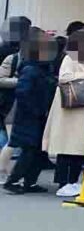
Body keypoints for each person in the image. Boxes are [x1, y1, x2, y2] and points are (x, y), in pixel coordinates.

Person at [43, 24, 84, 197]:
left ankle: (74, 180)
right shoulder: (70, 58)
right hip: (70, 107)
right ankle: (63, 182)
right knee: (68, 145)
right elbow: (63, 78)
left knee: (81, 145)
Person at [3, 29, 54, 195]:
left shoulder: (42, 69)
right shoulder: (31, 69)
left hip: (38, 116)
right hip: (29, 118)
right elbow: (22, 92)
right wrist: (35, 110)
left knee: (39, 151)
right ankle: (12, 181)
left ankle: (30, 182)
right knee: (29, 151)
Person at [0, 16, 31, 181]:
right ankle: (4, 172)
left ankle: (8, 172)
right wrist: (20, 81)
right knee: (12, 140)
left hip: (15, 101)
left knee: (11, 140)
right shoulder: (12, 55)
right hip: (10, 101)